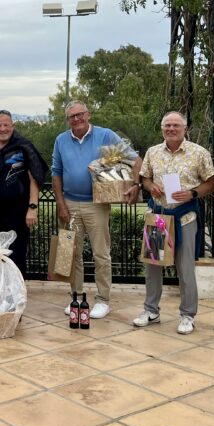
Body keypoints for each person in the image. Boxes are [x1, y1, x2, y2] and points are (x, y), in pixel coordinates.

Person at [52, 101, 141, 319]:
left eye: (80, 114)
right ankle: (77, 297)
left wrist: (135, 185)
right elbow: (56, 173)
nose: (76, 119)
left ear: (88, 114)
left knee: (101, 253)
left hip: (98, 204)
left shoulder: (105, 135)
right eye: (71, 116)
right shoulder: (61, 140)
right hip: (70, 204)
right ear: (68, 120)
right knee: (72, 254)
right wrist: (61, 205)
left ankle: (103, 300)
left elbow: (136, 160)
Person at [135, 112, 214, 334]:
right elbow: (145, 177)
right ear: (162, 128)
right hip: (159, 216)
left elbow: (210, 182)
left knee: (185, 267)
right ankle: (151, 310)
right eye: (167, 125)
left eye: (176, 125)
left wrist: (193, 193)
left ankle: (188, 315)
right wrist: (151, 187)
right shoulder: (153, 152)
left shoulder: (199, 153)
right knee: (152, 265)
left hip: (185, 217)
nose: (171, 129)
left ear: (185, 128)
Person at [0, 109, 48, 274]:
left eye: (6, 125)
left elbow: (34, 176)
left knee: (17, 252)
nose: (2, 129)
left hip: (17, 209)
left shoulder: (23, 147)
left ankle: (15, 291)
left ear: (12, 126)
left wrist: (33, 207)